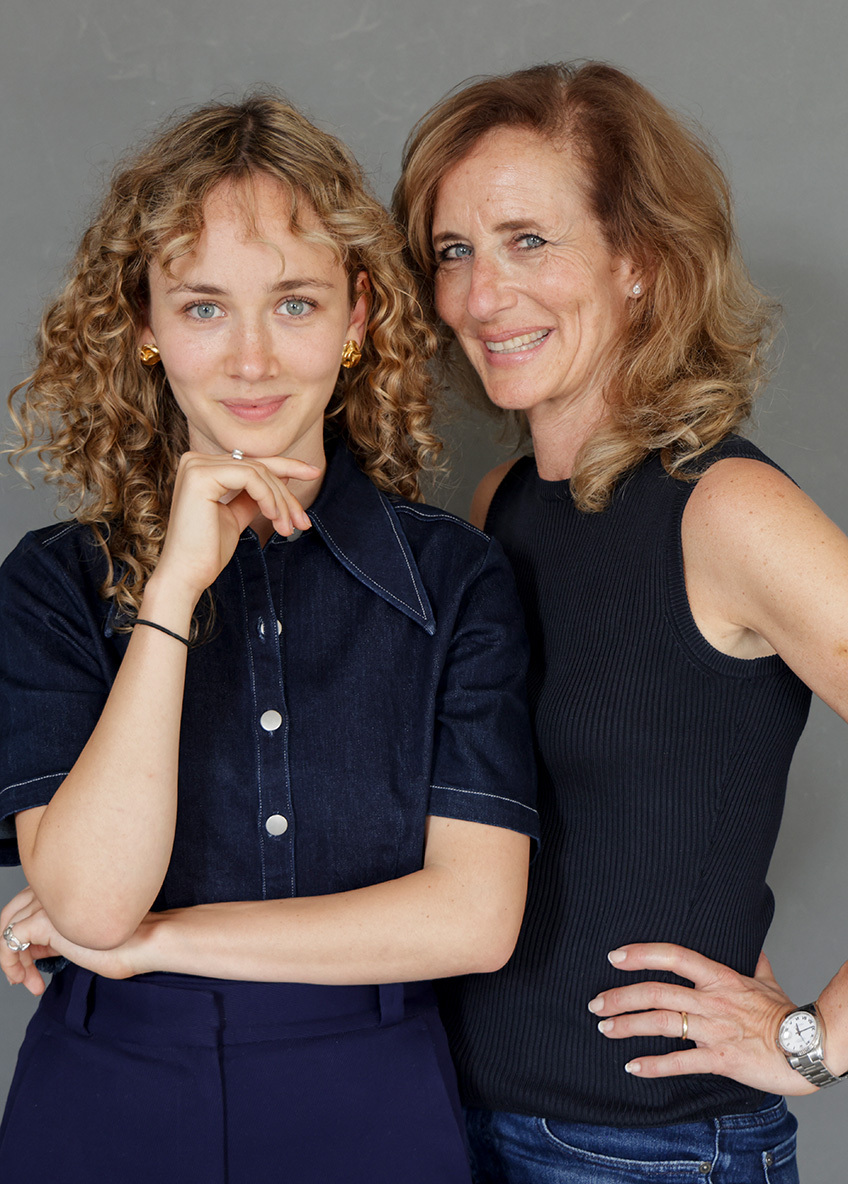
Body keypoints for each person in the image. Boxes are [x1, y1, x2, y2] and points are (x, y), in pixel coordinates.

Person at [0, 93, 538, 1184]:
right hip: (105, 1095)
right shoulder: (52, 584)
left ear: (357, 317)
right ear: (144, 324)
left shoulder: (454, 579)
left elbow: (475, 919)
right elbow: (92, 901)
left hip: (375, 1094)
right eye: (203, 307)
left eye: (294, 303)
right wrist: (172, 592)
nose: (250, 360)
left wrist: (155, 942)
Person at [393, 61, 848, 1183]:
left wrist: (816, 1041)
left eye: (527, 241)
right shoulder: (503, 503)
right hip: (454, 1114)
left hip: (644, 1150)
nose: (482, 295)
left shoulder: (725, 508)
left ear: (638, 259)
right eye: (455, 251)